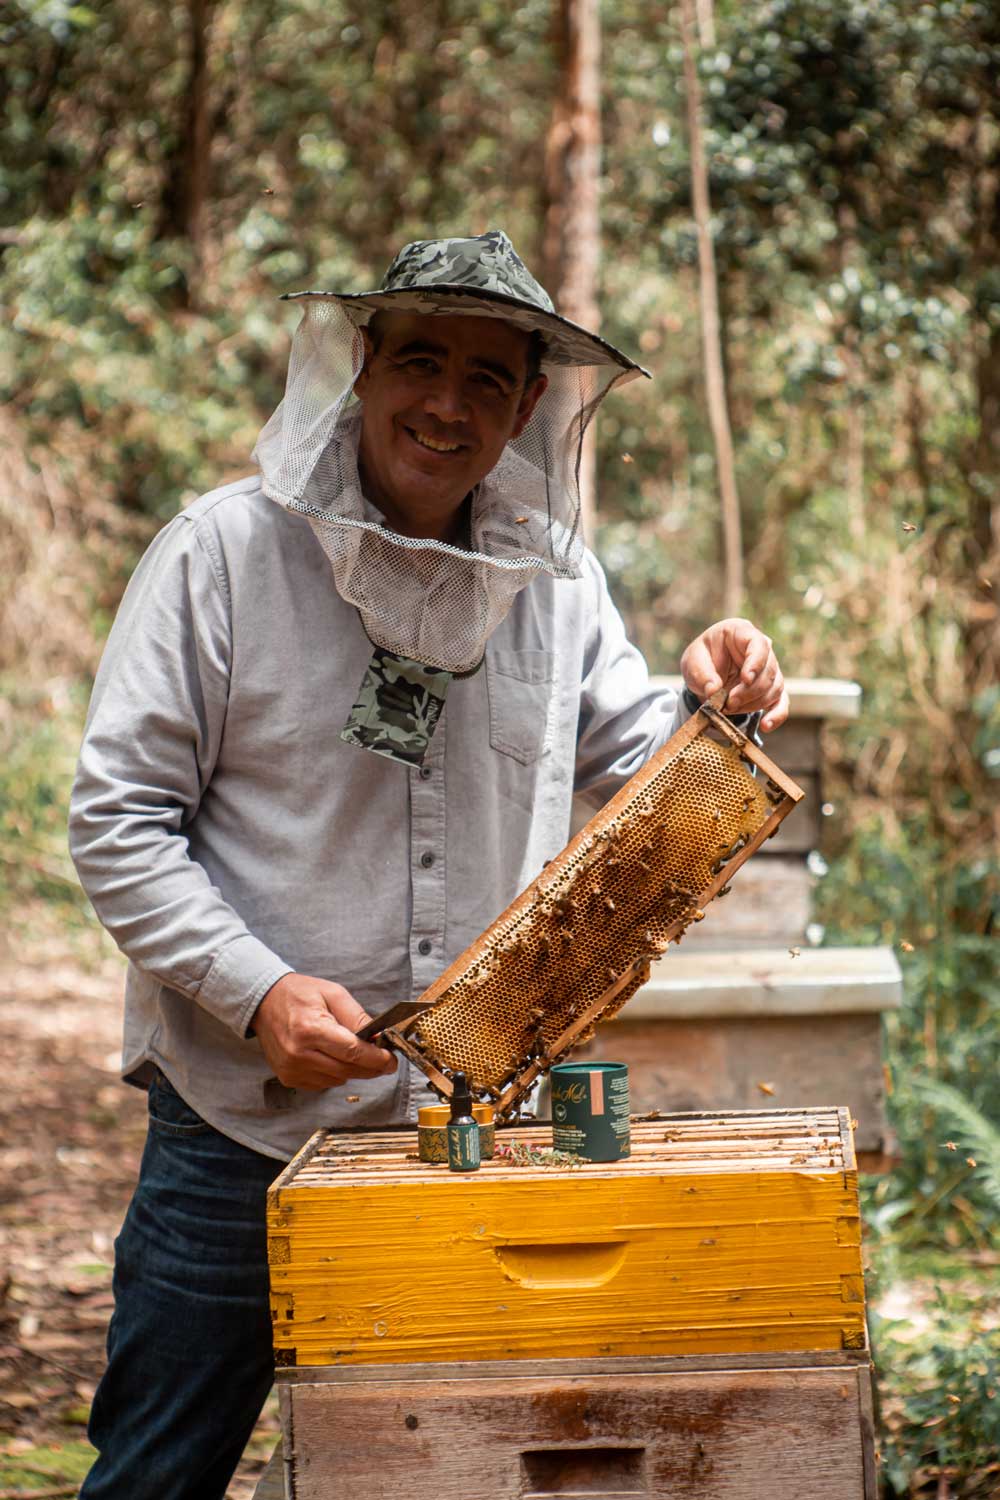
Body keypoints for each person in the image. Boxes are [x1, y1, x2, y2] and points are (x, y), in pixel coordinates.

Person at [68, 230, 788, 1498]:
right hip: (241, 1130)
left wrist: (719, 699)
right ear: (358, 371)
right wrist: (258, 990)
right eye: (419, 361)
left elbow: (647, 779)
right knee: (155, 1475)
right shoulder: (222, 553)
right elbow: (117, 820)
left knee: (437, 1468)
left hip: (460, 1132)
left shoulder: (557, 580)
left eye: (488, 378)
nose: (447, 404)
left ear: (526, 408)